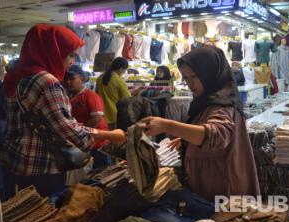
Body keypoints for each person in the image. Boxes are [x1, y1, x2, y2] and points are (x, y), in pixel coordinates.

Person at [0, 24, 126, 198]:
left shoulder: (17, 75)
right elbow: (66, 128)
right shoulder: (47, 81)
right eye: (71, 54)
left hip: (15, 159)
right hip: (41, 166)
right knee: (46, 216)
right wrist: (111, 135)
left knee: (22, 214)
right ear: (53, 51)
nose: (72, 61)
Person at [138, 47, 260, 201]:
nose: (189, 82)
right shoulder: (206, 99)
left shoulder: (222, 104)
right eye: (186, 77)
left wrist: (168, 126)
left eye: (194, 76)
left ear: (209, 73)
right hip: (212, 184)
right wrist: (187, 141)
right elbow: (206, 129)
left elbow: (216, 136)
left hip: (223, 189)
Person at [64, 65, 111, 169]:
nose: (68, 82)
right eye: (66, 79)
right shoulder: (69, 96)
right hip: (84, 141)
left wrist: (80, 132)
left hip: (98, 142)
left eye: (72, 78)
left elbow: (96, 118)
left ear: (82, 78)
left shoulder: (90, 95)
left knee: (101, 170)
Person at [96, 57, 143, 129]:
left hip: (101, 115)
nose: (124, 72)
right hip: (114, 116)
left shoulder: (100, 78)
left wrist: (131, 91)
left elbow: (101, 94)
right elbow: (127, 100)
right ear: (121, 69)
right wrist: (136, 92)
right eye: (125, 70)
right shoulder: (119, 81)